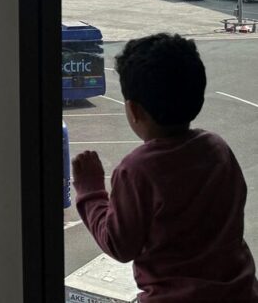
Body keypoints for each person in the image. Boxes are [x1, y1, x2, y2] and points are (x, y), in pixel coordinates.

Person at [72, 33, 258, 302]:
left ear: (134, 110)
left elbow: (119, 245)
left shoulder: (137, 170)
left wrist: (90, 191)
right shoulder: (218, 148)